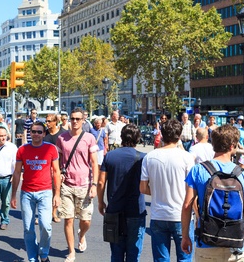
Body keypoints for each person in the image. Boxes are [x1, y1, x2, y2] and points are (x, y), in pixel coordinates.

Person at [181, 125, 244, 261]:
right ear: (232, 146)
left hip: (206, 243)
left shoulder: (199, 170)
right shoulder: (243, 175)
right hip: (235, 246)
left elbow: (187, 205)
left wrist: (185, 236)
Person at [140, 119, 194, 262]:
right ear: (180, 135)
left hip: (158, 215)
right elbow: (191, 192)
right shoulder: (187, 158)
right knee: (184, 258)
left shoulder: (149, 157)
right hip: (181, 215)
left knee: (161, 259)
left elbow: (143, 187)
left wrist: (157, 190)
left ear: (162, 134)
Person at [11, 121, 61, 262]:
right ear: (30, 133)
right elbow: (16, 173)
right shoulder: (22, 149)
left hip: (45, 192)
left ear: (44, 134)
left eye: (39, 132)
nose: (36, 134)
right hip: (27, 193)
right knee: (28, 228)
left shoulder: (51, 149)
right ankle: (32, 258)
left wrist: (57, 194)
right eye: (34, 131)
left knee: (46, 226)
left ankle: (44, 254)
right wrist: (13, 195)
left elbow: (56, 172)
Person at [97, 124, 147, 261]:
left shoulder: (110, 156)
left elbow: (101, 182)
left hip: (114, 209)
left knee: (116, 254)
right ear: (138, 139)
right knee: (134, 254)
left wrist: (101, 202)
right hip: (136, 209)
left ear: (121, 137)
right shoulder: (143, 158)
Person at [56, 107, 99, 262]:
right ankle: (71, 251)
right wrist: (59, 173)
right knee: (68, 219)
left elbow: (94, 163)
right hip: (67, 184)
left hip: (85, 184)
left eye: (77, 119)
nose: (74, 121)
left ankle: (81, 234)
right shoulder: (62, 138)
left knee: (85, 220)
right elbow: (59, 161)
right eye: (72, 118)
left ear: (83, 120)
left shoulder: (89, 138)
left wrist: (94, 184)